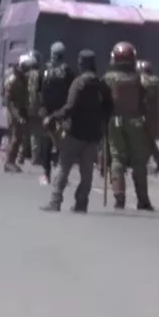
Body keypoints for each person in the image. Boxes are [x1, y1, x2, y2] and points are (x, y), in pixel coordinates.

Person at [41, 50, 113, 212]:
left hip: (74, 133)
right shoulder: (102, 85)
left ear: (82, 64)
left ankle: (55, 201)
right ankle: (82, 203)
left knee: (63, 168)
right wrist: (102, 125)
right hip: (93, 136)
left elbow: (70, 107)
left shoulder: (78, 83)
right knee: (86, 173)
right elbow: (109, 109)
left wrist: (53, 117)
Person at [103, 42, 154, 210]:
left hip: (114, 122)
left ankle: (119, 198)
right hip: (136, 122)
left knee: (117, 158)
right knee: (139, 162)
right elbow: (149, 98)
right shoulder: (140, 78)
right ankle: (143, 199)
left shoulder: (108, 79)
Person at [40, 42, 75, 176]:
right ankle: (61, 170)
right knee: (63, 140)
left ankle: (46, 171)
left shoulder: (45, 71)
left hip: (48, 111)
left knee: (47, 140)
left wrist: (42, 107)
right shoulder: (68, 72)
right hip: (63, 111)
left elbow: (39, 90)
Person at [4, 54, 32, 173]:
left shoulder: (22, 77)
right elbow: (8, 101)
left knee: (18, 137)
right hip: (14, 111)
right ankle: (9, 162)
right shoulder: (13, 79)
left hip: (20, 109)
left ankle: (11, 161)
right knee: (15, 138)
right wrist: (17, 115)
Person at [138, 59, 159, 174]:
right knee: (149, 141)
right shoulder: (154, 82)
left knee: (146, 141)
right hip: (153, 116)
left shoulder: (145, 81)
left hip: (146, 115)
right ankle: (157, 163)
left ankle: (156, 163)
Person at [23, 50, 45, 169]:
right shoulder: (40, 75)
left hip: (25, 106)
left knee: (23, 131)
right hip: (36, 107)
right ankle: (35, 158)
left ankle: (20, 156)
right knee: (36, 133)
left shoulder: (24, 75)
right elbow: (42, 92)